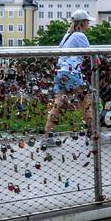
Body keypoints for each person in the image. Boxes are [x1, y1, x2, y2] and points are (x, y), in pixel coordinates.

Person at [41, 10, 94, 149]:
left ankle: (47, 136)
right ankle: (94, 134)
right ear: (82, 22)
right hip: (72, 72)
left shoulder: (67, 35)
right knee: (86, 102)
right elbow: (90, 54)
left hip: (60, 72)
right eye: (87, 21)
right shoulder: (80, 35)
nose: (89, 24)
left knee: (59, 103)